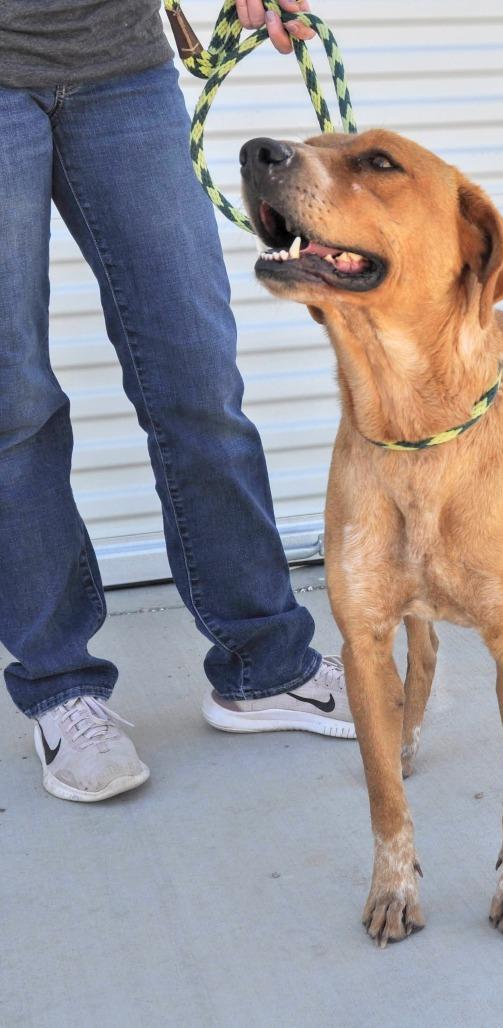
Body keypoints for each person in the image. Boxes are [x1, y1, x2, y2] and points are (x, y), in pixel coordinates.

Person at [0, 0, 357, 804]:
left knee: (197, 376)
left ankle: (264, 667)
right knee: (11, 405)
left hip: (122, 66)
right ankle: (62, 689)